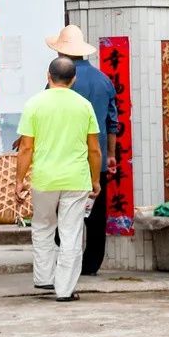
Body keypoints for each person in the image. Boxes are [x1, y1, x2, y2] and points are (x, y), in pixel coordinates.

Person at [14, 55, 101, 302]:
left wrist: (19, 180)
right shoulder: (84, 106)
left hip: (44, 180)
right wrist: (95, 180)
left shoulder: (34, 104)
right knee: (71, 232)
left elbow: (26, 149)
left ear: (47, 76)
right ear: (73, 79)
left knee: (42, 226)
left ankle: (44, 278)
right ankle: (64, 290)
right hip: (76, 179)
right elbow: (94, 149)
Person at [45, 24, 121, 276]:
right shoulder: (104, 81)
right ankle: (91, 264)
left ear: (61, 53)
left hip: (62, 160)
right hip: (94, 159)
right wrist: (110, 154)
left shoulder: (58, 80)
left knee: (61, 210)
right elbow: (112, 123)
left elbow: (47, 116)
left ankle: (68, 258)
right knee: (96, 213)